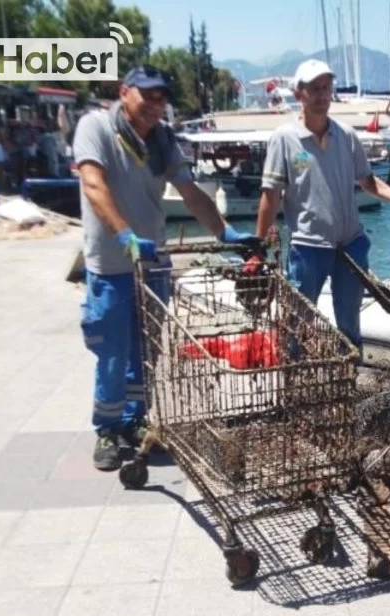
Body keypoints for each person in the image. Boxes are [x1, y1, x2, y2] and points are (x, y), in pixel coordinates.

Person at [74, 65, 259, 471]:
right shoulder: (96, 128)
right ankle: (107, 429)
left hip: (154, 263)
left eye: (162, 97)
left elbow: (190, 192)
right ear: (125, 92)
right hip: (111, 265)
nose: (156, 105)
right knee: (112, 349)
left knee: (146, 350)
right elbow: (93, 185)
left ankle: (135, 421)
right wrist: (123, 235)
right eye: (147, 95)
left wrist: (225, 232)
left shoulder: (162, 140)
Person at [255, 59, 390, 351]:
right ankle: (294, 378)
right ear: (298, 94)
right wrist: (257, 249)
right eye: (314, 89)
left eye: (326, 88)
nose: (321, 95)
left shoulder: (346, 136)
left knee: (349, 322)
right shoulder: (284, 139)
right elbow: (270, 197)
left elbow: (368, 182)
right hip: (308, 247)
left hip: (351, 244)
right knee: (297, 322)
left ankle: (350, 376)